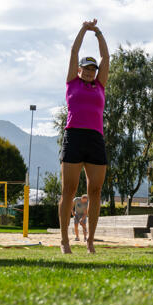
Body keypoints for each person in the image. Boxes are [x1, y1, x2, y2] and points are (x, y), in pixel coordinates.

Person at [58, 19, 109, 254]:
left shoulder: (100, 85)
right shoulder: (72, 82)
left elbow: (106, 58)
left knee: (95, 191)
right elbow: (74, 51)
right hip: (74, 136)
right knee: (69, 189)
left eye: (92, 68)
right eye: (86, 68)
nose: (89, 71)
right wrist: (83, 29)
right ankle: (64, 241)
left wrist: (98, 33)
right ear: (79, 70)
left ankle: (90, 241)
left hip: (95, 138)